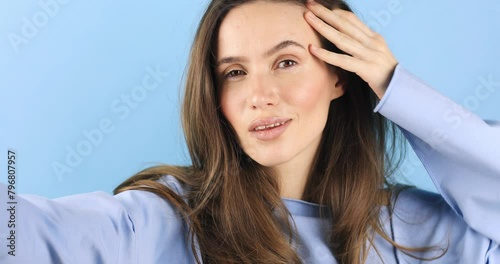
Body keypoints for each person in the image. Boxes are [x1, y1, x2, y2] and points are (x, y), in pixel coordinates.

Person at [1, 0, 499, 263]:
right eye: (234, 72)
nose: (259, 95)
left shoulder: (418, 234)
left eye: (285, 62)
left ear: (340, 76)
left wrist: (399, 89)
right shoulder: (162, 223)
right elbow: (17, 231)